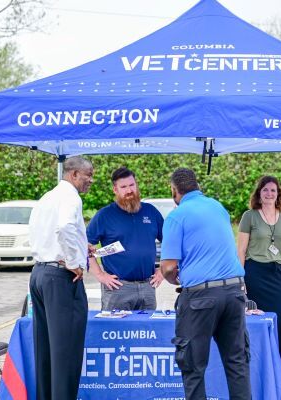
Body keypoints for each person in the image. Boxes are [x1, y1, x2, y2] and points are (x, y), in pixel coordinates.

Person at [160, 168, 251, 400]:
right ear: (197, 186)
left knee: (193, 368)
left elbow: (169, 267)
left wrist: (175, 279)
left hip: (200, 298)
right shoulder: (217, 207)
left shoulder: (176, 216)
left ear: (174, 191)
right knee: (237, 364)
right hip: (234, 292)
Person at [28, 156, 94, 400]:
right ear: (74, 174)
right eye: (88, 175)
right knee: (66, 353)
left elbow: (45, 233)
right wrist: (75, 262)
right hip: (60, 277)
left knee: (46, 352)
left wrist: (78, 246)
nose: (91, 180)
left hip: (40, 273)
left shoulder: (47, 197)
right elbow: (65, 227)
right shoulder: (71, 197)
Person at [237, 175, 281, 367]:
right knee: (255, 320)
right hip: (254, 274)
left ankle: (275, 366)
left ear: (278, 194)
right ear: (259, 193)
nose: (269, 193)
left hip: (278, 276)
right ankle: (255, 364)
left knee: (277, 320)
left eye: (273, 190)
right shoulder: (249, 216)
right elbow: (241, 250)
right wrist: (239, 279)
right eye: (265, 190)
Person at [86, 167, 165, 310]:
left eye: (131, 185)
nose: (129, 190)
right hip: (118, 288)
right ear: (115, 190)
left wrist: (163, 271)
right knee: (115, 331)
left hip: (148, 287)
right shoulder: (104, 215)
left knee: (146, 331)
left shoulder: (151, 212)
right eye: (123, 187)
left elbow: (170, 243)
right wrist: (100, 275)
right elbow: (85, 247)